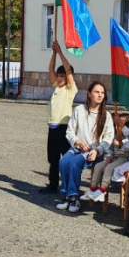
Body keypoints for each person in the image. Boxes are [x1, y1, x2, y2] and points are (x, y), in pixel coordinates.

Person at [56, 81, 114, 214]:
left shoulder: (106, 115)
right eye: (96, 92)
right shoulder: (79, 110)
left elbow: (108, 139)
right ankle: (66, 195)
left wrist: (97, 150)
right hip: (78, 148)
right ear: (89, 94)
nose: (100, 95)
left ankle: (74, 197)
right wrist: (77, 141)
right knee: (64, 161)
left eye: (102, 93)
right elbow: (69, 131)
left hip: (95, 152)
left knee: (74, 162)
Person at [41, 39, 76, 194]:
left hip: (64, 127)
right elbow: (50, 69)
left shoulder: (70, 90)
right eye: (59, 75)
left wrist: (61, 52)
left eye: (63, 75)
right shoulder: (56, 87)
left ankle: (68, 186)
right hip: (53, 126)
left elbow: (68, 70)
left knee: (67, 159)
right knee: (53, 159)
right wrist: (53, 53)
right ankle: (53, 184)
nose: (60, 77)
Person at [87, 112, 129, 202]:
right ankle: (92, 189)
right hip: (114, 158)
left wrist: (120, 143)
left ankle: (102, 191)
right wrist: (109, 156)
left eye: (122, 122)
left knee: (109, 168)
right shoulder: (116, 134)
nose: (119, 124)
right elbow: (110, 148)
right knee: (98, 166)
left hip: (124, 159)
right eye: (118, 122)